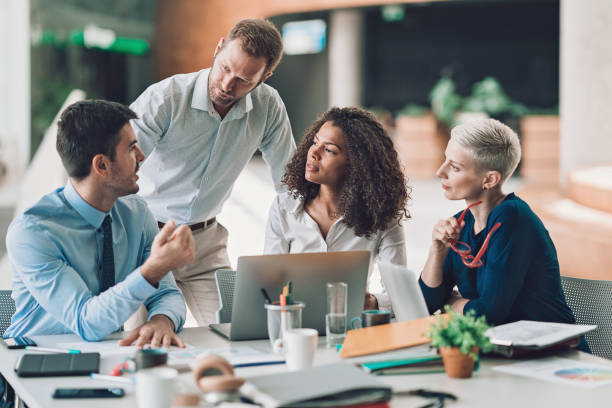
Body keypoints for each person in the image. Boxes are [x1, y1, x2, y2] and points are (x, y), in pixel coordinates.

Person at [130, 19, 296, 326]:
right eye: (225, 68)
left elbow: (291, 185)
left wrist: (297, 249)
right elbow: (118, 168)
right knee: (138, 345)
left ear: (265, 77)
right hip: (144, 240)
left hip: (205, 246)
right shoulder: (166, 98)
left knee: (239, 332)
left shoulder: (268, 107)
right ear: (218, 48)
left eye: (244, 80)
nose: (227, 84)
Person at [4, 100, 194, 348]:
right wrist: (151, 271)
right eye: (131, 148)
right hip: (32, 362)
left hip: (106, 355)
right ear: (102, 165)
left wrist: (161, 320)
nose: (142, 156)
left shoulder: (136, 213)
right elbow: (86, 322)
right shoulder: (33, 232)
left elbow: (167, 293)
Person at [419, 118, 575, 327]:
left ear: (490, 180)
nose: (440, 172)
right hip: (502, 348)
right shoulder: (460, 224)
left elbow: (489, 313)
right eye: (446, 160)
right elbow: (425, 304)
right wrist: (437, 251)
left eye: (455, 168)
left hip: (552, 351)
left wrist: (452, 303)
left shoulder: (513, 218)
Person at [264, 107, 410, 310]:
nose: (313, 152)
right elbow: (268, 286)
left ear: (356, 165)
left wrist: (373, 303)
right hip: (294, 327)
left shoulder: (382, 217)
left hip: (350, 329)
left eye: (329, 150)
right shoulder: (283, 207)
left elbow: (400, 293)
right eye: (315, 142)